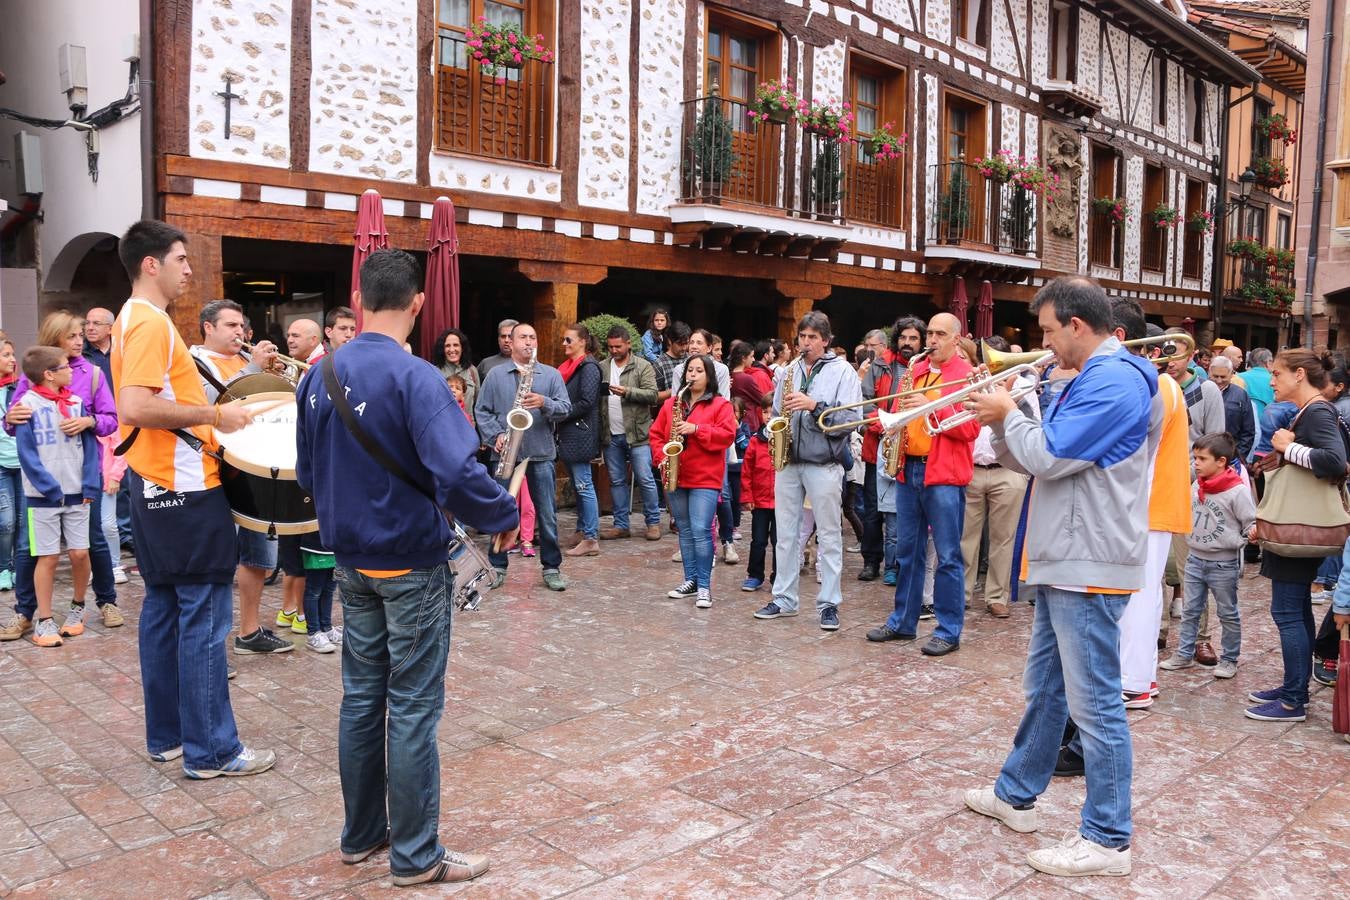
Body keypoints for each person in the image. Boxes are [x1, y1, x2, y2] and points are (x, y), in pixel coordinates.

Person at [296, 248, 517, 885]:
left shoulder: (320, 373)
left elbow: (308, 473)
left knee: (361, 698)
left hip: (350, 561)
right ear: (418, 305)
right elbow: (455, 469)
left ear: (358, 300)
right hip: (411, 561)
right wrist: (502, 512)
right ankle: (417, 855)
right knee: (414, 706)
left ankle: (362, 834)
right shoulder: (417, 377)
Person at [963, 276, 1157, 878]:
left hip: (1090, 558)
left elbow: (1048, 454)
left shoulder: (1117, 380)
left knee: (1095, 704)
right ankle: (1016, 793)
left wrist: (1011, 408)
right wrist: (1001, 419)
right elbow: (1033, 458)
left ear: (1076, 325)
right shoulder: (1087, 379)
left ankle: (1107, 837)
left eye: (1047, 331)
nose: (1040, 343)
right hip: (1067, 554)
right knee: (1047, 689)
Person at [112, 219, 273, 779]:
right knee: (204, 619)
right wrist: (216, 414)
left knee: (163, 610)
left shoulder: (132, 320)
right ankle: (214, 752)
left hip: (153, 485)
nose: (188, 270)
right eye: (181, 259)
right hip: (183, 485)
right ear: (151, 264)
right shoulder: (151, 322)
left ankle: (171, 738)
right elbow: (134, 407)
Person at [865, 313, 978, 655]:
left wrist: (932, 407)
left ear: (956, 339)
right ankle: (903, 621)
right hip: (908, 467)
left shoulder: (967, 376)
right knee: (907, 553)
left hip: (942, 473)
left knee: (947, 556)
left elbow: (970, 430)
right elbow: (901, 412)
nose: (931, 340)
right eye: (929, 333)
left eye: (940, 334)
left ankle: (948, 629)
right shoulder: (916, 368)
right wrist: (892, 424)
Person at [1246, 349, 1349, 723]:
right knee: (1297, 611)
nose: (1271, 381)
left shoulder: (1318, 410)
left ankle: (1292, 700)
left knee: (1287, 612)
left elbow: (1334, 462)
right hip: (1298, 526)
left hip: (1298, 529)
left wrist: (1286, 447)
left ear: (1299, 374)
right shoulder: (1314, 410)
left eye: (1277, 374)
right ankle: (1295, 686)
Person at [3, 312, 122, 634]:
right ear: (55, 339)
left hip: (83, 474)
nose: (80, 340)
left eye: (81, 334)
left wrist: (89, 421)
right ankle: (26, 612)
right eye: (72, 335)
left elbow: (111, 419)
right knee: (31, 549)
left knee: (92, 543)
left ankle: (106, 601)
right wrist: (10, 419)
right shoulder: (34, 376)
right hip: (43, 481)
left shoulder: (93, 374)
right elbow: (15, 425)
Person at [188, 300, 293, 656]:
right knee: (216, 560)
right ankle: (210, 646)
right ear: (208, 327)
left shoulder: (241, 362)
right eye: (230, 325)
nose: (239, 333)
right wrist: (252, 368)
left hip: (256, 469)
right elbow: (210, 403)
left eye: (241, 326)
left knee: (259, 556)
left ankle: (249, 631)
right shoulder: (193, 362)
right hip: (214, 469)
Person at [753, 311, 861, 632]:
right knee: (785, 534)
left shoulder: (844, 372)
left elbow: (851, 421)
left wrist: (815, 406)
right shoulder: (788, 371)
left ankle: (829, 603)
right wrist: (775, 434)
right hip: (788, 462)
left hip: (823, 463)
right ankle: (784, 598)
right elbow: (776, 415)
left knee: (828, 534)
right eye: (802, 337)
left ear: (826, 341)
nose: (806, 343)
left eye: (813, 337)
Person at [476, 322, 571, 591]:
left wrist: (544, 403)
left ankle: (552, 567)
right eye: (523, 338)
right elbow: (482, 411)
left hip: (540, 452)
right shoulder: (495, 375)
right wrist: (496, 435)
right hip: (505, 453)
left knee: (547, 513)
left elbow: (565, 408)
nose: (529, 342)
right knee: (499, 509)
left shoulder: (550, 375)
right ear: (511, 343)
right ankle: (497, 565)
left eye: (533, 337)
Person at [15, 345, 98, 647]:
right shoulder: (27, 405)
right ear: (49, 374)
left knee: (79, 553)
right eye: (65, 366)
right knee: (47, 557)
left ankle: (78, 608)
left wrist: (90, 484)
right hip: (43, 498)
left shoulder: (77, 403)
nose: (71, 370)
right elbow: (27, 454)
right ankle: (45, 620)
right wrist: (50, 489)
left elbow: (90, 449)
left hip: (78, 494)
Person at [1159, 432, 1255, 679]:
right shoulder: (1197, 485)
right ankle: (1184, 653)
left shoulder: (1237, 492)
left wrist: (1250, 534)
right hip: (1195, 559)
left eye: (1201, 459)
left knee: (1227, 612)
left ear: (1221, 461)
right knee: (1190, 609)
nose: (1196, 464)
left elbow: (1250, 522)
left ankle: (1230, 659)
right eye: (1195, 458)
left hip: (1223, 563)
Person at [650, 354, 737, 608]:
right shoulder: (672, 404)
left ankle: (704, 587)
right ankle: (690, 580)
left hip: (705, 477)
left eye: (699, 370)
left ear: (709, 376)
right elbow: (655, 434)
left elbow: (727, 435)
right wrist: (661, 457)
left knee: (701, 530)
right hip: (676, 474)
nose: (693, 374)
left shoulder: (720, 405)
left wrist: (696, 430)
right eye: (690, 370)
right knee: (685, 530)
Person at [960, 336, 1031, 619]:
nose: (993, 365)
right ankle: (961, 594)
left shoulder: (1024, 388)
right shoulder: (971, 384)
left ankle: (996, 597)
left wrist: (1015, 401)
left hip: (1009, 472)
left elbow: (1032, 426)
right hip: (973, 468)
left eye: (998, 360)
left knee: (1004, 538)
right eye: (988, 359)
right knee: (965, 537)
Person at [861, 317, 925, 584]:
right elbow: (865, 403)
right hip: (879, 443)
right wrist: (884, 425)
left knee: (902, 511)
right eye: (903, 338)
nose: (907, 343)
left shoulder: (925, 368)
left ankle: (898, 564)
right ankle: (871, 560)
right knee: (874, 509)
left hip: (910, 449)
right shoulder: (880, 365)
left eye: (913, 339)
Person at [599, 326, 662, 542]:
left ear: (628, 344)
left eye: (618, 346)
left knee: (645, 478)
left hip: (638, 434)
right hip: (610, 434)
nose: (614, 350)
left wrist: (627, 392)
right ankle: (621, 525)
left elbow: (653, 395)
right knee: (616, 481)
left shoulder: (642, 366)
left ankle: (653, 522)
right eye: (610, 347)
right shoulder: (602, 367)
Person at [556, 324, 603, 557]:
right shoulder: (572, 367)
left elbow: (586, 402)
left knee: (584, 485)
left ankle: (591, 537)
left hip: (581, 434)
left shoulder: (589, 367)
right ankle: (582, 530)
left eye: (568, 340)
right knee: (578, 484)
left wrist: (559, 412)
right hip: (572, 434)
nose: (564, 344)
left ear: (582, 341)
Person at [740, 396, 777, 591]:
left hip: (781, 502)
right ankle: (755, 574)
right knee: (758, 541)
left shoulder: (786, 438)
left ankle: (778, 577)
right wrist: (747, 496)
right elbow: (747, 470)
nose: (769, 416)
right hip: (760, 501)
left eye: (772, 411)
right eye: (765, 412)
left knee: (780, 542)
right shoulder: (755, 440)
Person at [1208, 356, 1254, 462]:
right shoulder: (1200, 391)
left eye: (1223, 377)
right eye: (1215, 376)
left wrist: (1238, 457)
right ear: (1209, 372)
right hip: (1205, 456)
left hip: (1232, 456)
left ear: (1231, 374)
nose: (1219, 381)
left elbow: (1248, 431)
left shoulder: (1241, 395)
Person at [0, 339, 18, 594]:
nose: (13, 359)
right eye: (6, 355)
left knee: (24, 522)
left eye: (13, 354)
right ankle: (4, 567)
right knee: (6, 521)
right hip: (1, 464)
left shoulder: (19, 388)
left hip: (23, 463)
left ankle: (18, 568)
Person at [433, 328, 479, 417]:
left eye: (456, 345)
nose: (452, 349)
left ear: (462, 348)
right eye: (447, 346)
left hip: (468, 426)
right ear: (442, 349)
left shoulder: (472, 371)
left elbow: (478, 404)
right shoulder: (435, 372)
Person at [652, 321, 691, 401]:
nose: (684, 348)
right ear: (670, 341)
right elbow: (655, 396)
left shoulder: (691, 359)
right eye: (680, 344)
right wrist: (678, 388)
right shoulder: (659, 364)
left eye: (686, 343)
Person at [82, 307, 115, 385]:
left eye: (96, 323)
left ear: (110, 329)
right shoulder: (79, 352)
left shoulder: (122, 351)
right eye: (87, 323)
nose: (90, 328)